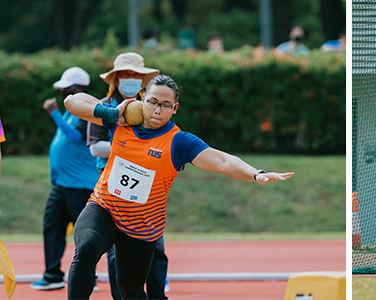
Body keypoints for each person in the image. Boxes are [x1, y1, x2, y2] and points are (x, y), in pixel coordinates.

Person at [65, 75, 294, 299]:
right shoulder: (123, 119)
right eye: (153, 102)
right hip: (104, 207)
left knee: (130, 290)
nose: (157, 110)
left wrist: (256, 174)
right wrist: (112, 114)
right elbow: (72, 102)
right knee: (86, 249)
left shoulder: (179, 142)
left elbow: (223, 161)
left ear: (174, 108)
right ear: (142, 98)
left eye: (165, 105)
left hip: (141, 225)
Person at [86, 52, 169, 300]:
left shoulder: (152, 107)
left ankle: (157, 296)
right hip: (114, 189)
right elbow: (94, 147)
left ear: (143, 80)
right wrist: (128, 149)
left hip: (149, 187)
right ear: (116, 78)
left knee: (156, 247)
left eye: (136, 75)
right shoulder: (105, 106)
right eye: (126, 74)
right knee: (116, 252)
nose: (131, 79)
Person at [30, 67, 99, 291]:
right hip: (61, 185)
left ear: (79, 88)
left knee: (84, 234)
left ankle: (88, 277)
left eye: (67, 88)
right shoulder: (72, 111)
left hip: (80, 185)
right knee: (51, 227)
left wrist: (54, 113)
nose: (63, 93)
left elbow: (75, 135)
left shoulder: (87, 111)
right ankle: (52, 275)